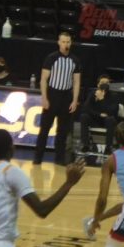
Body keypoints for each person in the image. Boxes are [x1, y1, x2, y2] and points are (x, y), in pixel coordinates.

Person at [34, 31, 81, 165]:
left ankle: (59, 159)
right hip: (52, 94)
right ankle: (38, 157)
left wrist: (74, 100)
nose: (66, 44)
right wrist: (44, 97)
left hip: (66, 96)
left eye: (68, 42)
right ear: (59, 42)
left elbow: (77, 82)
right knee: (45, 129)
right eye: (63, 41)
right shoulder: (51, 58)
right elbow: (43, 79)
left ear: (71, 43)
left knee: (62, 130)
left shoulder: (75, 60)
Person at [80, 75, 119, 155]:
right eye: (103, 83)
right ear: (98, 84)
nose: (105, 84)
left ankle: (108, 147)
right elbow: (85, 108)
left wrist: (102, 100)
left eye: (107, 83)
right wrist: (99, 114)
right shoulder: (92, 94)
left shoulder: (114, 95)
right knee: (84, 117)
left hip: (107, 121)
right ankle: (86, 145)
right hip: (95, 119)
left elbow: (113, 111)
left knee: (110, 119)